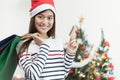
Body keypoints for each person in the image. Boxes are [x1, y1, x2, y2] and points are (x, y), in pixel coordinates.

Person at [16, 0, 78, 80]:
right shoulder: (23, 45)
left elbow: (62, 74)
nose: (45, 22)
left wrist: (70, 53)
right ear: (33, 18)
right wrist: (44, 47)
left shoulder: (57, 41)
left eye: (49, 18)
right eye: (40, 17)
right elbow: (33, 76)